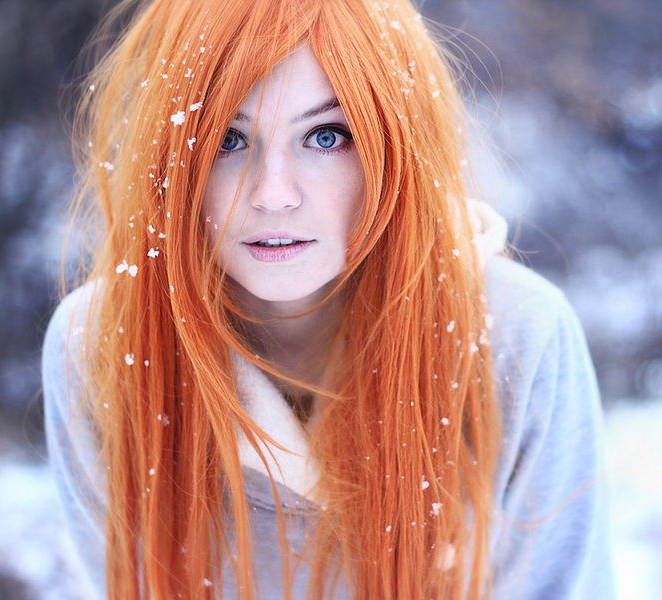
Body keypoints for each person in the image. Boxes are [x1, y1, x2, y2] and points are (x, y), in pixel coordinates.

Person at [42, 0, 615, 597]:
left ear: (395, 147)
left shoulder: (514, 336)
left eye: (325, 135)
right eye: (226, 140)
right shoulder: (103, 343)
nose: (273, 194)